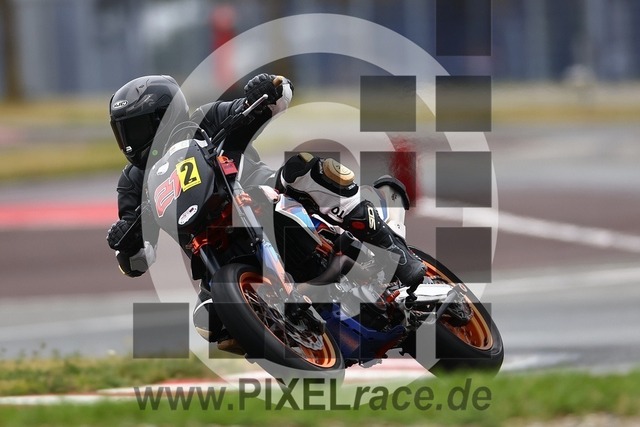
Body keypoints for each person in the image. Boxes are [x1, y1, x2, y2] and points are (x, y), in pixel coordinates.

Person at [106, 73, 425, 353]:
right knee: (209, 320)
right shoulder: (132, 182)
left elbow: (278, 96)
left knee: (303, 168)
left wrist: (266, 90)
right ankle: (286, 347)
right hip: (212, 251)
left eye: (136, 128)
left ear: (165, 117)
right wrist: (125, 242)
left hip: (258, 195)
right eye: (123, 131)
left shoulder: (206, 120)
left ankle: (392, 248)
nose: (130, 142)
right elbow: (138, 261)